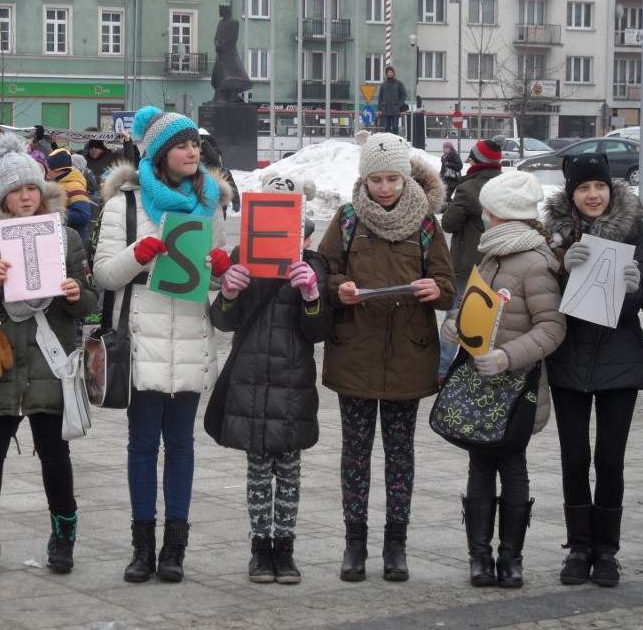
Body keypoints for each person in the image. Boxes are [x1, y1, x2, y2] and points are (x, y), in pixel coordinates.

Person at [92, 105, 233, 584]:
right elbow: (103, 275)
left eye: (196, 143)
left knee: (181, 445)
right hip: (141, 339)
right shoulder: (125, 207)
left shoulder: (208, 203)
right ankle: (142, 547)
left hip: (191, 336)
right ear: (158, 154)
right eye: (182, 145)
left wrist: (219, 270)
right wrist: (138, 254)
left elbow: (212, 286)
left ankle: (175, 549)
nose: (194, 151)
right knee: (141, 445)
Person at [0, 132, 97, 577]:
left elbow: (90, 302)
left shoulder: (66, 237)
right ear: (2, 197)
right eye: (16, 190)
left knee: (55, 457)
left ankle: (64, 538)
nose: (26, 197)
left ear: (43, 190)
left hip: (49, 363)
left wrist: (75, 294)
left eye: (32, 188)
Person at [316, 132, 455, 582]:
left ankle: (396, 545)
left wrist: (436, 290)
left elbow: (447, 284)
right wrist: (341, 289)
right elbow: (324, 273)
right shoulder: (348, 218)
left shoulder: (428, 224)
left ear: (405, 176)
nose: (385, 188)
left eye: (392, 178)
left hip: (408, 356)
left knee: (400, 455)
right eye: (376, 179)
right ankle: (354, 544)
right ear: (364, 179)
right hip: (355, 351)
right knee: (354, 454)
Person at [440, 171, 566, 588]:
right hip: (482, 384)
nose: (485, 220)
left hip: (517, 387)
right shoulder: (492, 256)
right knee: (479, 465)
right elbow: (473, 303)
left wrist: (507, 356)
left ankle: (511, 558)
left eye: (489, 214)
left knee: (512, 467)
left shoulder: (534, 263)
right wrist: (455, 323)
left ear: (504, 216)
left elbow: (552, 328)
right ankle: (480, 556)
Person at [541, 153, 643, 588]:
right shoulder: (554, 236)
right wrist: (563, 269)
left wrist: (635, 287)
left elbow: (636, 307)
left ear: (610, 189)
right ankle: (579, 547)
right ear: (571, 194)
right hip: (569, 359)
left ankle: (607, 551)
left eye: (599, 186)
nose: (593, 195)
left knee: (610, 460)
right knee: (574, 457)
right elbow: (546, 297)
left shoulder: (638, 230)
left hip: (620, 358)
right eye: (584, 188)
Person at [209, 219, 329, 585]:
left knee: (290, 472)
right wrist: (227, 293)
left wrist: (312, 296)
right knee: (258, 471)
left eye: (302, 232)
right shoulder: (243, 258)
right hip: (251, 379)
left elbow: (319, 331)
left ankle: (286, 548)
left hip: (293, 381)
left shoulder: (315, 265)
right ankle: (261, 548)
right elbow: (224, 322)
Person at [438, 139, 503, 381]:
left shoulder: (469, 189)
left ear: (476, 161)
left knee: (455, 316)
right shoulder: (503, 185)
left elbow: (448, 223)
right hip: (500, 263)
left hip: (469, 266)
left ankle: (443, 369)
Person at [46, 147, 92, 243]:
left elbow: (83, 216)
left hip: (73, 242)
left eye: (49, 167)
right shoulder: (59, 183)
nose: (47, 171)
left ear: (57, 169)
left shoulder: (75, 186)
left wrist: (56, 213)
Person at [210, 4, 253, 103]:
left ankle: (231, 95)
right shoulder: (220, 23)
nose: (219, 12)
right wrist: (216, 44)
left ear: (227, 11)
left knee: (232, 76)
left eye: (221, 10)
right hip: (220, 54)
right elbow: (216, 37)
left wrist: (222, 45)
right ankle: (217, 96)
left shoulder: (234, 23)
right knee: (217, 75)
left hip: (229, 55)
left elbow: (233, 37)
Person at [376, 66, 407, 135]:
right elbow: (380, 98)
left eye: (391, 72)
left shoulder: (399, 84)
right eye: (388, 72)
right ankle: (387, 142)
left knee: (395, 127)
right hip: (385, 110)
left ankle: (396, 142)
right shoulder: (383, 85)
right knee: (386, 127)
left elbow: (404, 95)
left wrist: (399, 104)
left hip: (395, 110)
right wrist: (379, 109)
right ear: (386, 74)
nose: (389, 74)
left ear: (393, 73)